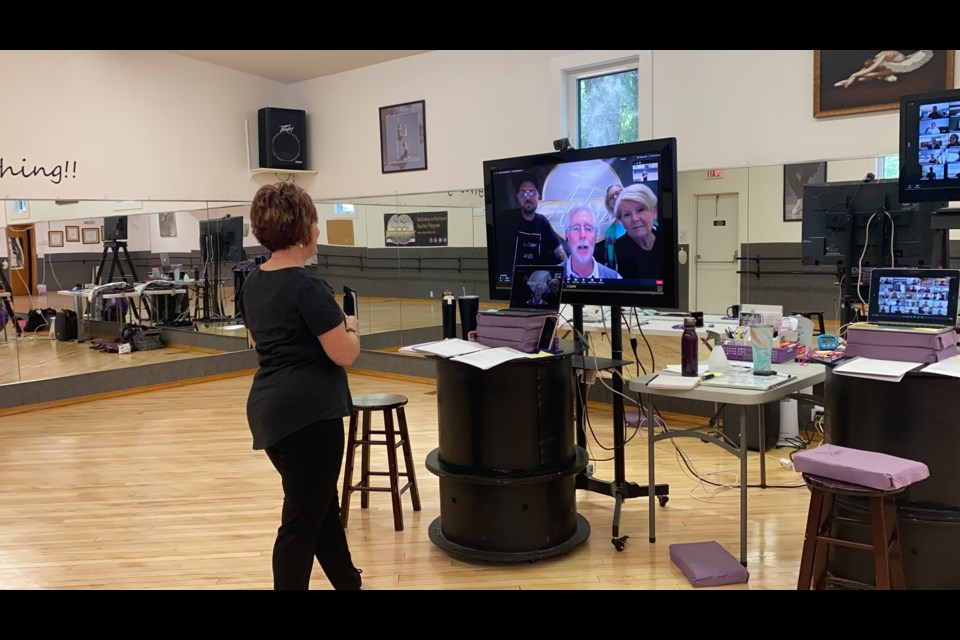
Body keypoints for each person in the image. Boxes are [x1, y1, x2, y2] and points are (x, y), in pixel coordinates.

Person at [239, 182, 363, 591]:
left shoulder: (253, 282)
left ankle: (348, 582)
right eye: (315, 222)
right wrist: (351, 328)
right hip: (309, 418)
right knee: (301, 522)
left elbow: (264, 338)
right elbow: (344, 354)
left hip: (271, 413)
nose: (318, 232)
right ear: (303, 229)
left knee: (319, 507)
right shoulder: (308, 287)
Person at [496, 173, 566, 276]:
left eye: (532, 193)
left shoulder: (543, 222)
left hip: (537, 286)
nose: (528, 197)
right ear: (517, 197)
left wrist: (568, 277)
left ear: (538, 196)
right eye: (523, 193)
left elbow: (560, 252)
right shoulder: (505, 219)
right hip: (511, 286)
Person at [613, 183, 663, 280]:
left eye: (640, 210)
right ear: (622, 221)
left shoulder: (667, 239)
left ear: (654, 212)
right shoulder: (619, 248)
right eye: (627, 214)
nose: (635, 219)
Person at [563, 206, 621, 280]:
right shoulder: (550, 277)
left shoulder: (615, 279)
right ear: (567, 235)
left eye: (588, 229)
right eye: (576, 228)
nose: (582, 235)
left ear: (596, 235)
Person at [833, 50, 934, 89]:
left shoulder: (882, 57)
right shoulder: (873, 61)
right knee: (862, 79)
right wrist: (856, 75)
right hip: (886, 65)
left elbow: (870, 69)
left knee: (869, 75)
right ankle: (886, 77)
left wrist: (853, 75)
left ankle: (885, 76)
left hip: (898, 63)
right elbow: (865, 69)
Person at [601, 184, 624, 270]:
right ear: (609, 204)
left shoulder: (641, 221)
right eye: (610, 197)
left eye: (618, 193)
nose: (615, 197)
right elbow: (610, 263)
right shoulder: (610, 232)